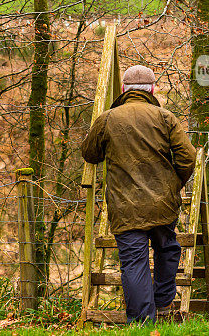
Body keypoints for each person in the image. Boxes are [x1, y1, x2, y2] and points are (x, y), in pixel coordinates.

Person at [82, 64, 196, 324]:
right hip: (162, 204)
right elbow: (188, 157)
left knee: (134, 263)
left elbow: (90, 153)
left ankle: (143, 323)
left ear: (123, 89)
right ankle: (164, 302)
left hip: (125, 206)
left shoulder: (108, 118)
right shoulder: (165, 118)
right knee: (167, 249)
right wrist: (174, 184)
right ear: (153, 89)